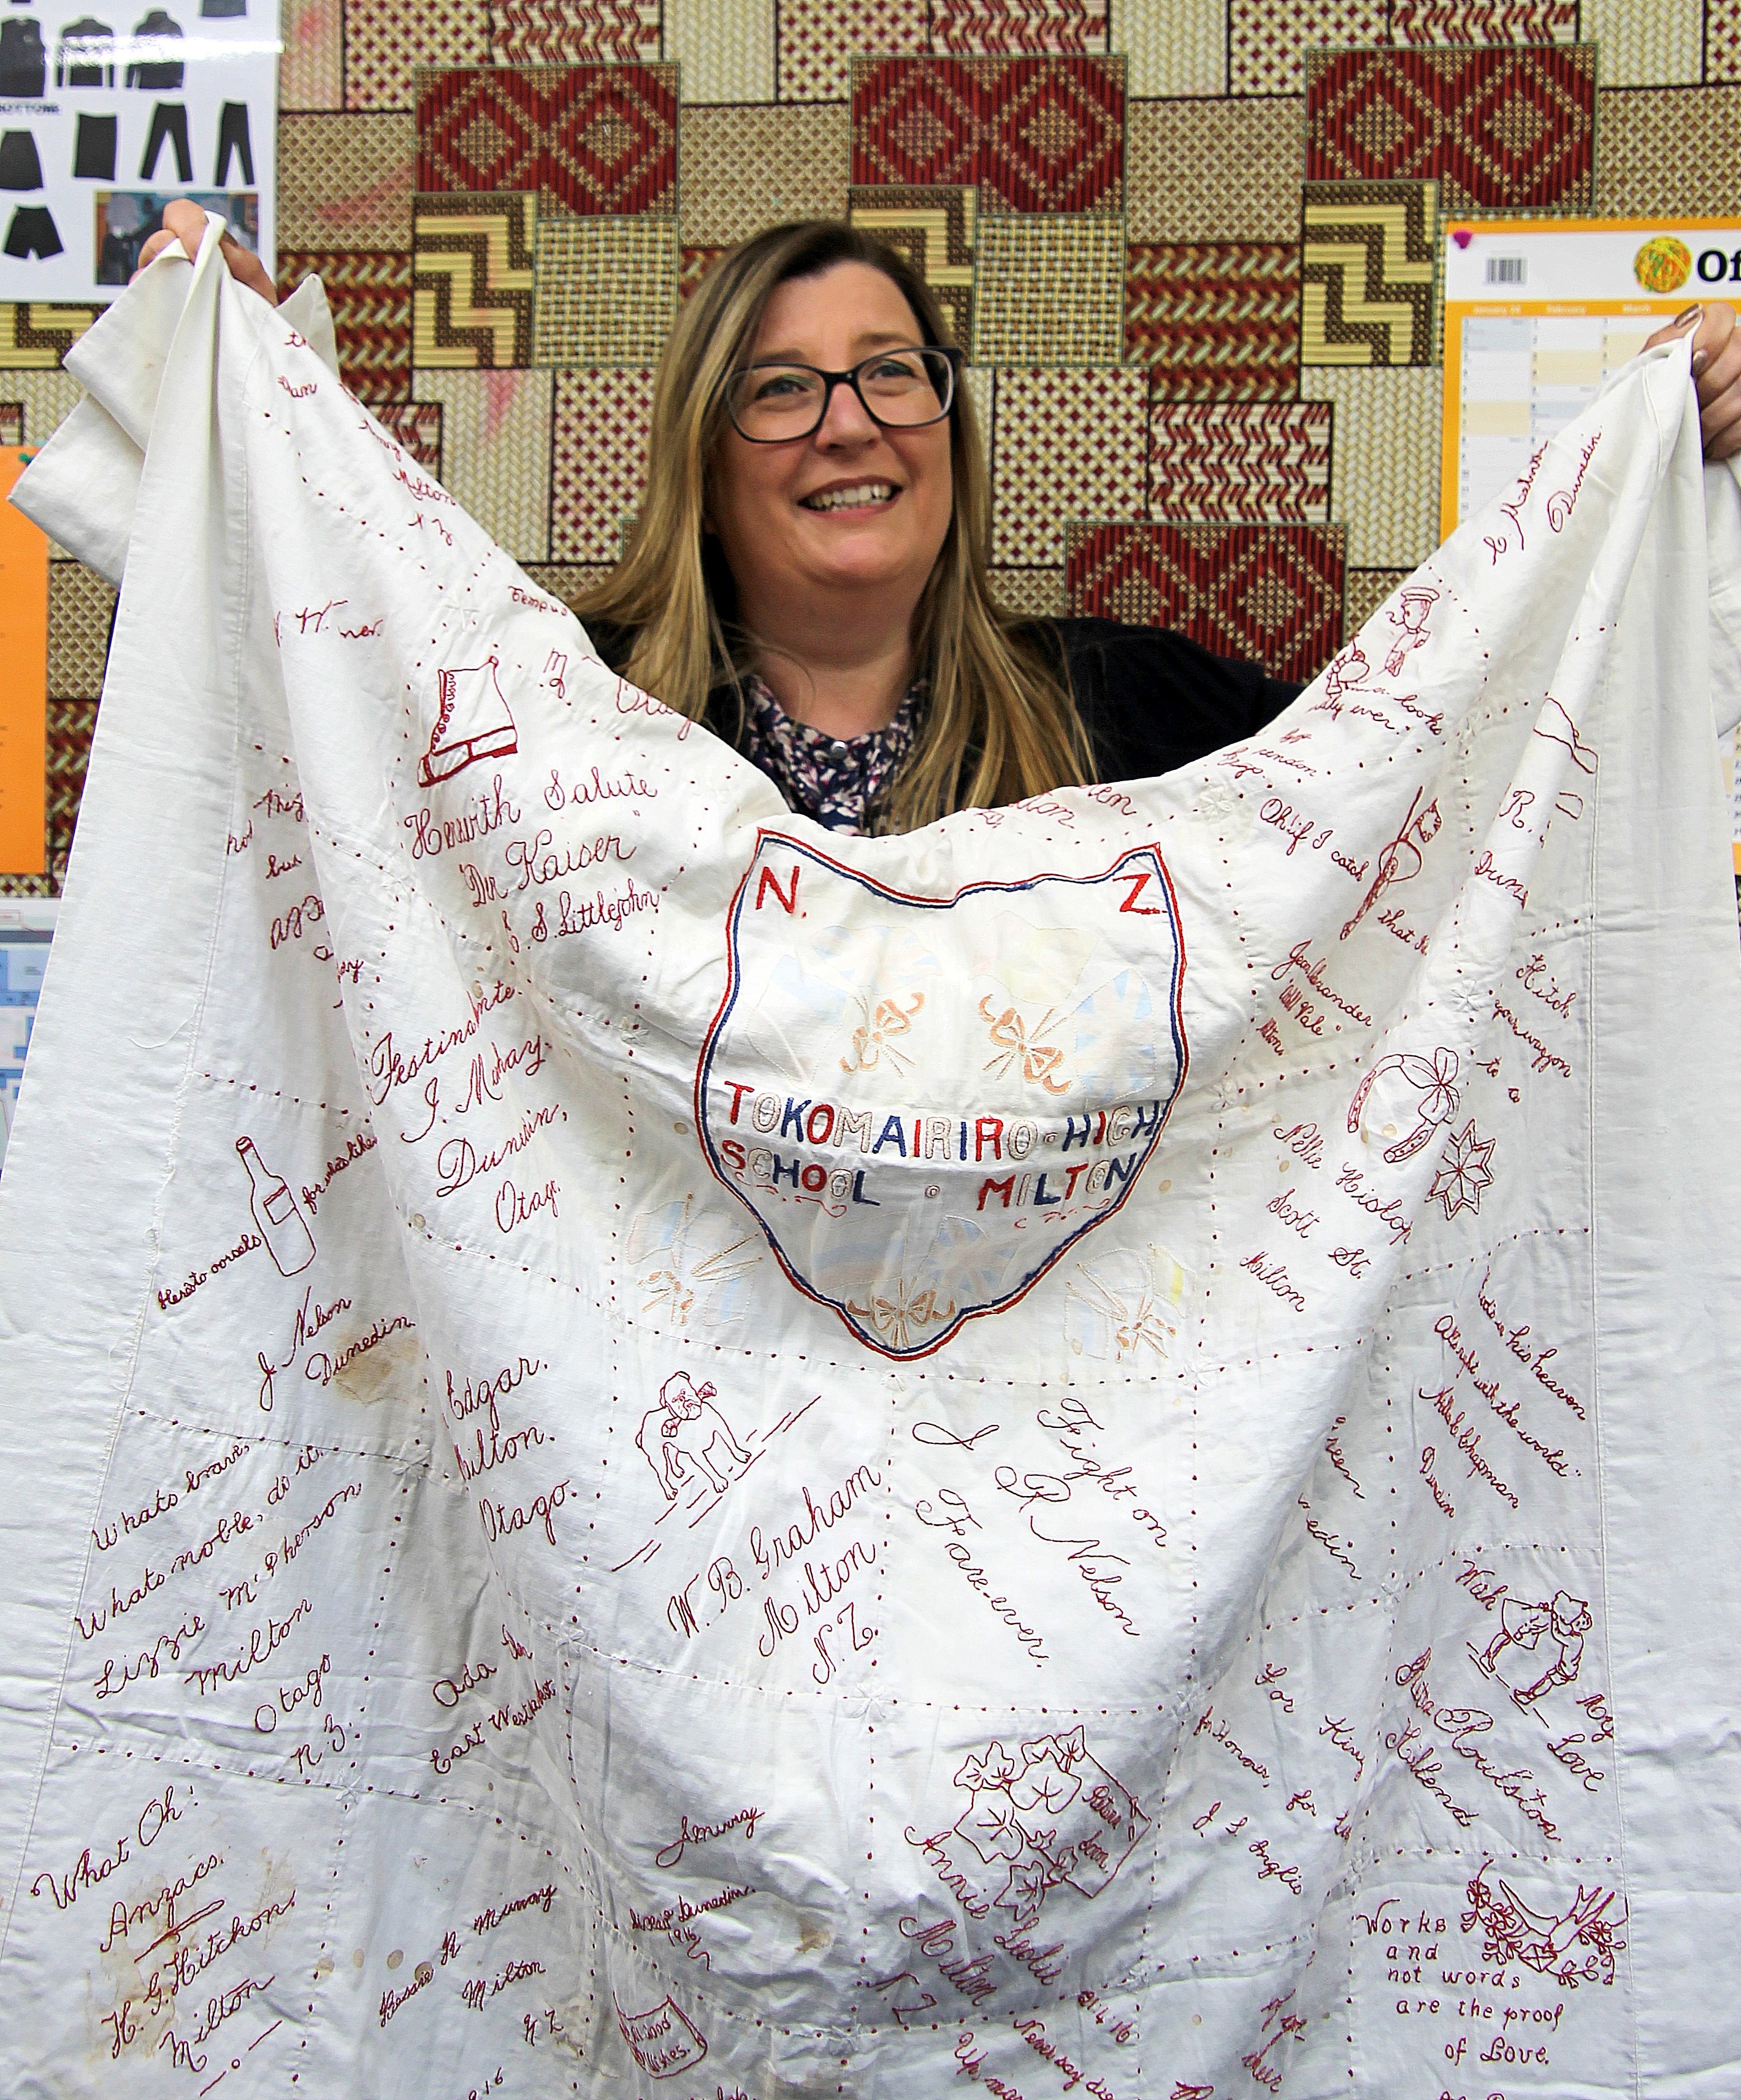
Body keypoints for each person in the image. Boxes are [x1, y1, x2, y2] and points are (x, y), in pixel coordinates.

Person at [138, 198, 1741, 837]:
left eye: (891, 374)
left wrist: (1676, 466)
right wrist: (262, 411)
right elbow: (322, 745)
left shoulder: (1133, 706)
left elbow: (1437, 805)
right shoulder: (566, 710)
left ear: (952, 441)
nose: (849, 424)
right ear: (706, 457)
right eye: (781, 388)